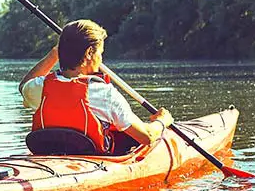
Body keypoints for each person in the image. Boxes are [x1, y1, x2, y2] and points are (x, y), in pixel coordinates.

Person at [20, 19, 173, 155]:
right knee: (129, 136)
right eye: (100, 53)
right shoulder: (104, 93)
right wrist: (162, 121)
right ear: (89, 53)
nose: (101, 59)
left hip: (49, 153)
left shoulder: (39, 87)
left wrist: (54, 54)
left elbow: (24, 86)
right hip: (92, 159)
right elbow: (147, 137)